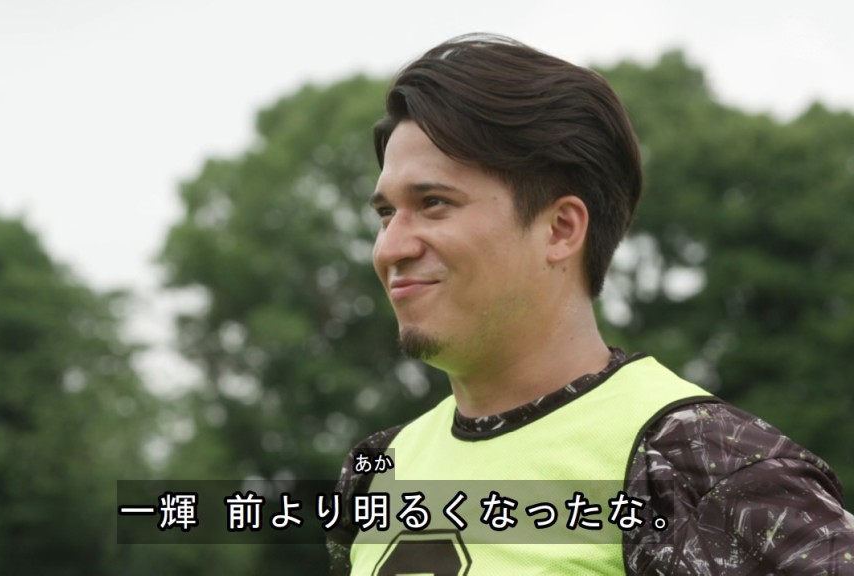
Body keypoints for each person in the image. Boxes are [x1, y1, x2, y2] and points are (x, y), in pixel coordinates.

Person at [328, 34, 854, 575]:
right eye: (386, 214)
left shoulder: (694, 464)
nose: (390, 248)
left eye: (434, 203)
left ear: (560, 229)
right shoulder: (377, 471)